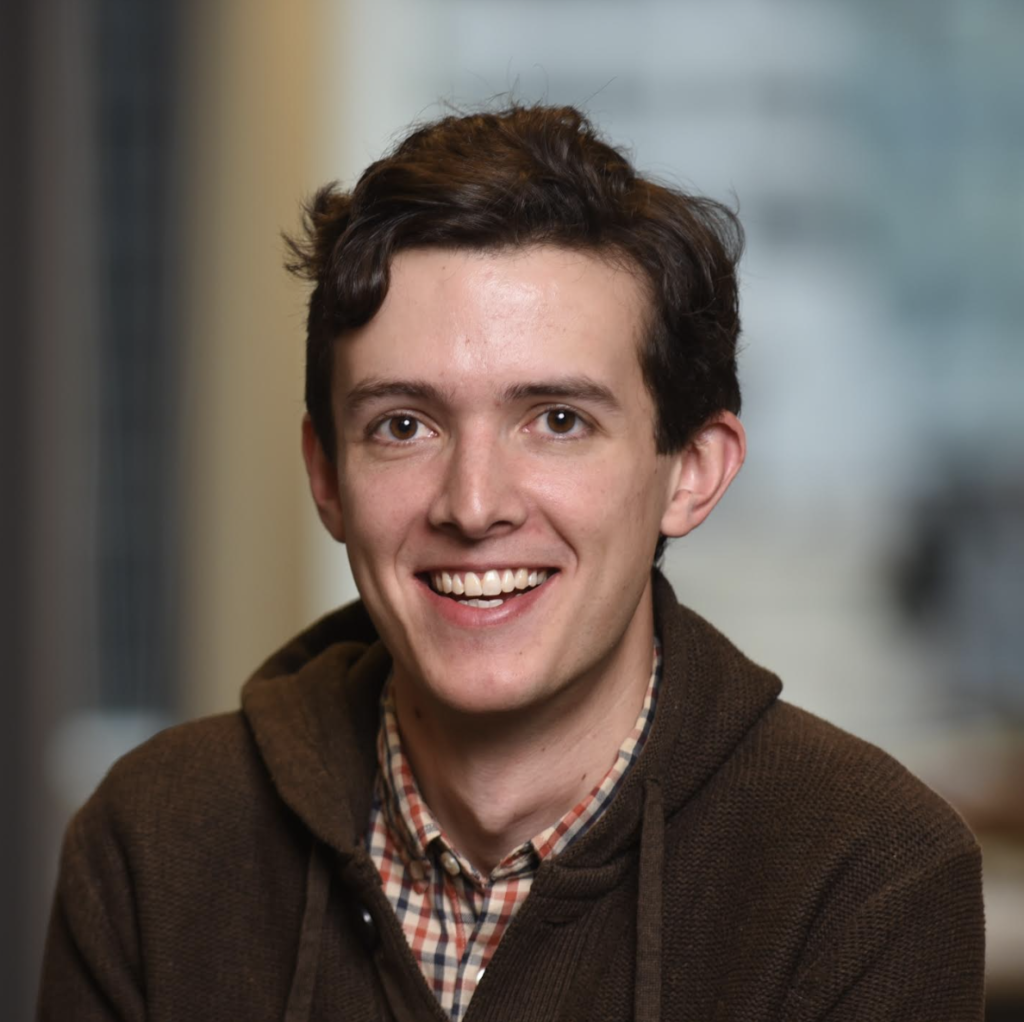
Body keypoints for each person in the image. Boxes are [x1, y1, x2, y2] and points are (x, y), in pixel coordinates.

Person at [38, 105, 984, 1021]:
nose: (475, 504)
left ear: (691, 473)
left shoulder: (868, 873)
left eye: (559, 421)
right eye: (403, 426)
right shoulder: (154, 841)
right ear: (326, 475)